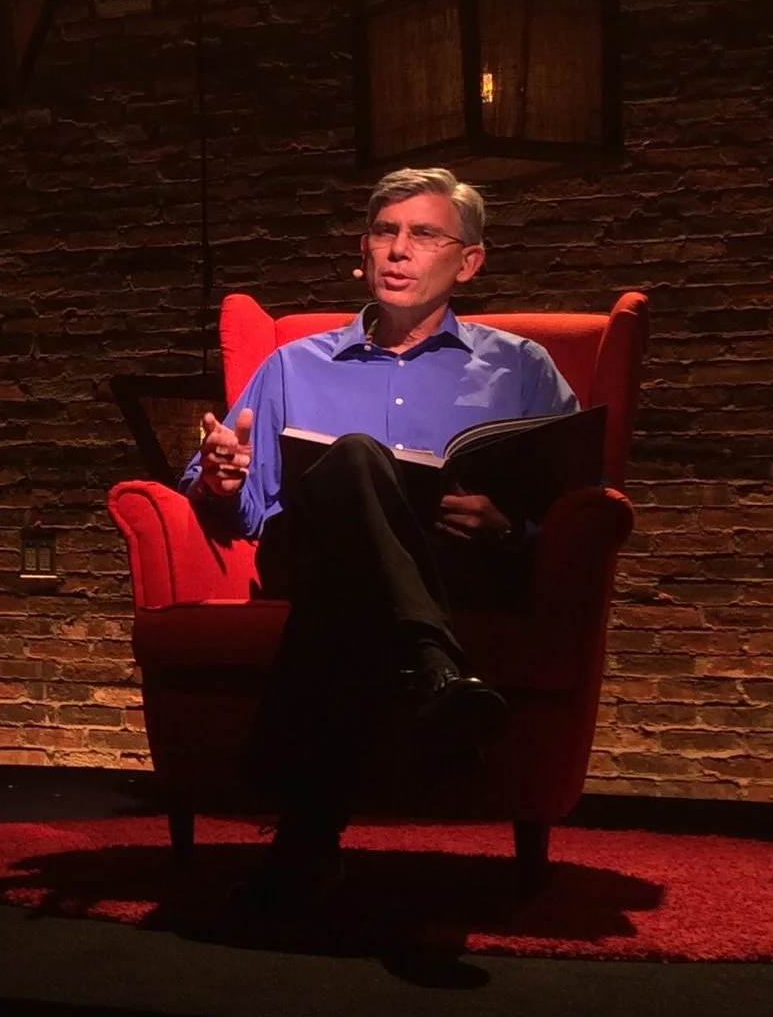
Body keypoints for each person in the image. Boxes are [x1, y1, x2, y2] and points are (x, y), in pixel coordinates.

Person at [181, 167, 577, 913]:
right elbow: (234, 499)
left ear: (468, 262)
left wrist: (508, 526)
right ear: (363, 252)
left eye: (424, 234)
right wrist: (220, 478)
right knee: (356, 456)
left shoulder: (521, 367)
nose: (399, 250)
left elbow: (578, 499)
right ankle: (433, 665)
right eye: (385, 233)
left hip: (454, 565)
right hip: (311, 554)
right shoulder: (292, 365)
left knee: (351, 598)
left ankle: (304, 846)